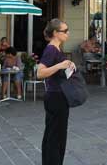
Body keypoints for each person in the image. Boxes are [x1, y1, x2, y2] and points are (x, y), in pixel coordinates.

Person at [37, 19, 75, 165]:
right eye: (64, 31)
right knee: (55, 136)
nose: (68, 33)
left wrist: (68, 67)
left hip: (60, 95)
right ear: (55, 33)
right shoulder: (51, 49)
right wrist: (60, 65)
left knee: (56, 135)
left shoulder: (56, 48)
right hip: (55, 97)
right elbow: (40, 73)